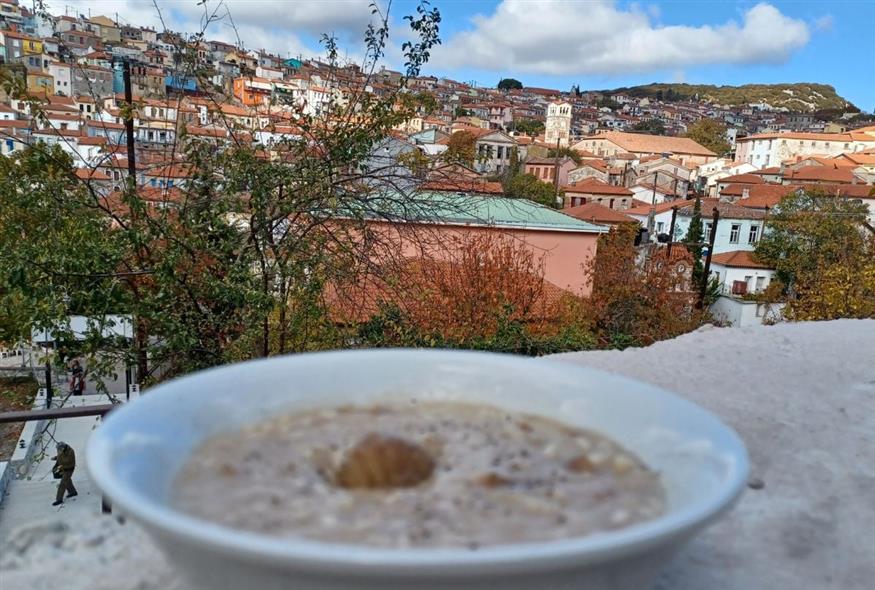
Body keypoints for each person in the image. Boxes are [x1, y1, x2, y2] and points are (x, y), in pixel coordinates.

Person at [52, 441, 78, 506]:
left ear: (63, 448)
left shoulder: (70, 452)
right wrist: (56, 457)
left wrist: (61, 462)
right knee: (67, 480)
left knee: (62, 484)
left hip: (69, 469)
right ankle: (73, 492)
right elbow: (60, 456)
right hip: (63, 468)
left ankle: (59, 499)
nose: (58, 451)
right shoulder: (62, 451)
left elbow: (67, 460)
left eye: (59, 450)